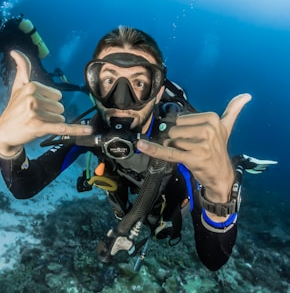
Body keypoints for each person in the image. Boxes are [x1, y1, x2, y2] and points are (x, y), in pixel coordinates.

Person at [0, 20, 276, 272]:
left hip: (167, 201)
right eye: (109, 80)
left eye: (140, 83)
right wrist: (6, 145)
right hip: (132, 201)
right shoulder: (89, 129)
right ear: (93, 86)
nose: (122, 99)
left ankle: (235, 166)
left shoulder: (182, 144)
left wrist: (219, 190)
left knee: (188, 201)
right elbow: (24, 185)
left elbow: (214, 258)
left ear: (157, 91)